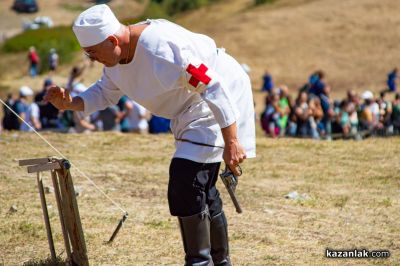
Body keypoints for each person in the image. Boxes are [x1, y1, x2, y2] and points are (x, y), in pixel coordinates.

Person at [44, 5, 255, 265]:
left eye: (93, 53)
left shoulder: (163, 50)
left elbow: (211, 86)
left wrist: (231, 141)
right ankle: (219, 262)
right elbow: (104, 92)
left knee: (186, 181)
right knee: (201, 186)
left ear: (112, 40)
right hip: (190, 106)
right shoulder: (115, 60)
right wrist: (70, 103)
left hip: (214, 98)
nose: (92, 59)